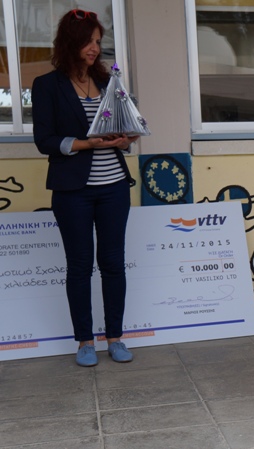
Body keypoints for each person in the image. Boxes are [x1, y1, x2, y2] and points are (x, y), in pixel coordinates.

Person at [32, 9, 138, 367]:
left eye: (97, 41)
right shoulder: (47, 85)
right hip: (72, 191)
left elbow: (126, 130)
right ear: (70, 42)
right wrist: (84, 144)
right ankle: (84, 342)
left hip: (114, 187)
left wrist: (126, 139)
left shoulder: (109, 83)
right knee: (79, 266)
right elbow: (44, 141)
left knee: (113, 263)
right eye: (88, 41)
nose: (94, 48)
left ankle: (115, 338)